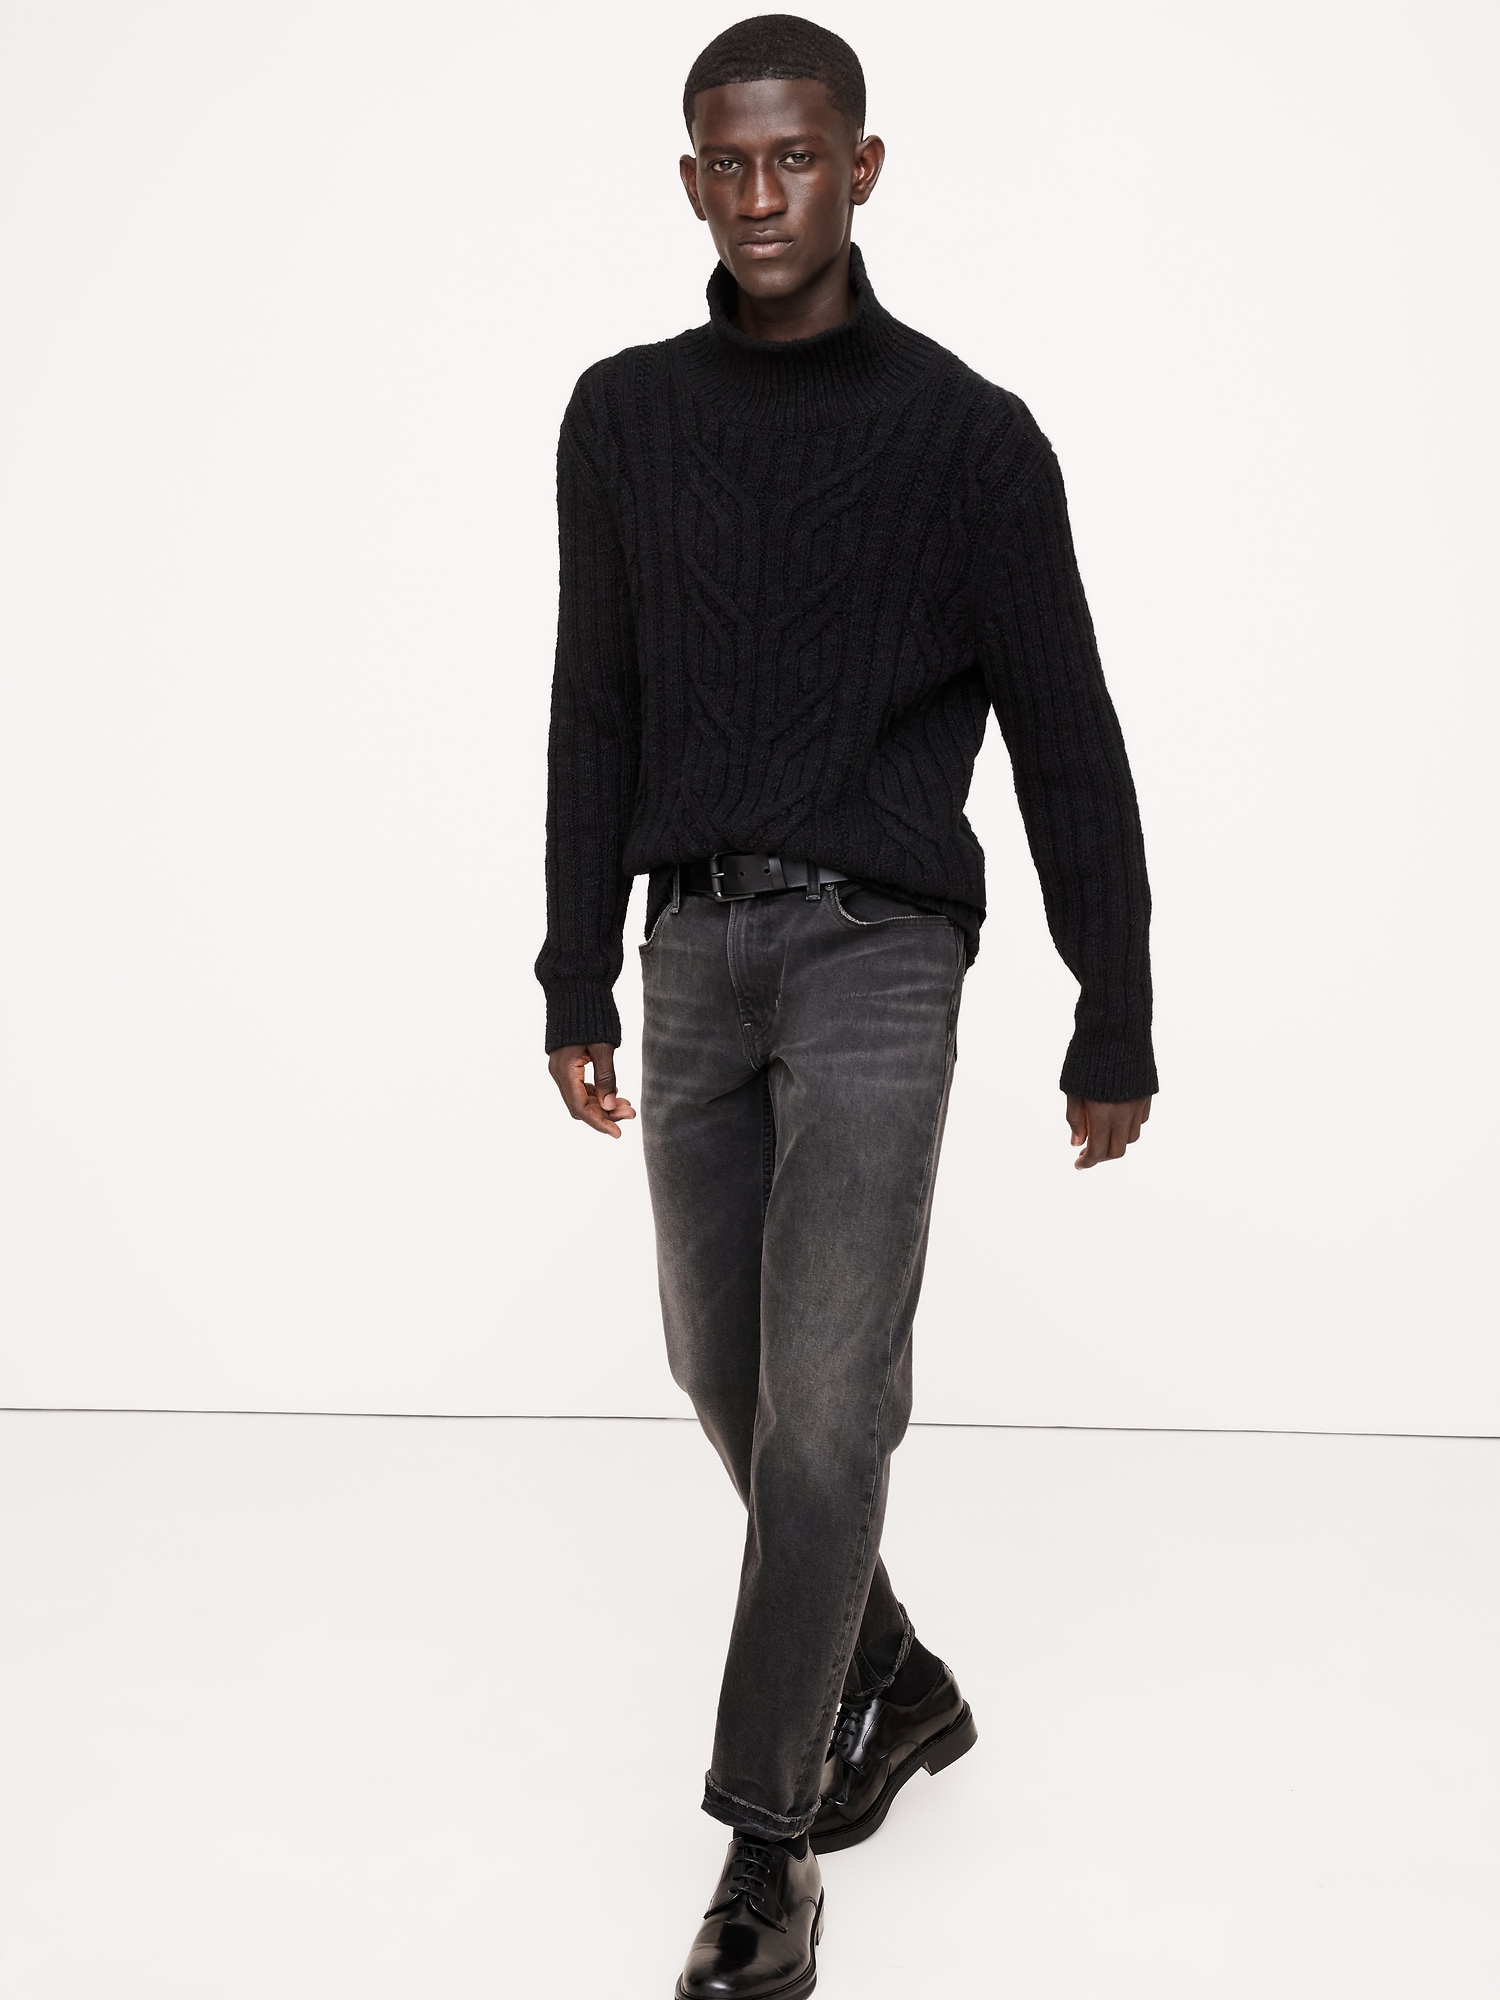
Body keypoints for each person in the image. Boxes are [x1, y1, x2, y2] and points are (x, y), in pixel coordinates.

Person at [536, 16, 1157, 1994]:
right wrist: (573, 961)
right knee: (717, 1368)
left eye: (796, 156)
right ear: (690, 180)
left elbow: (1066, 731)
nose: (761, 193)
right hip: (689, 949)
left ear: (862, 167)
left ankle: (766, 1849)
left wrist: (1115, 1000)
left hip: (884, 950)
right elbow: (595, 700)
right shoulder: (623, 416)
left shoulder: (971, 439)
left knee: (829, 1401)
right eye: (727, 162)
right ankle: (894, 1679)